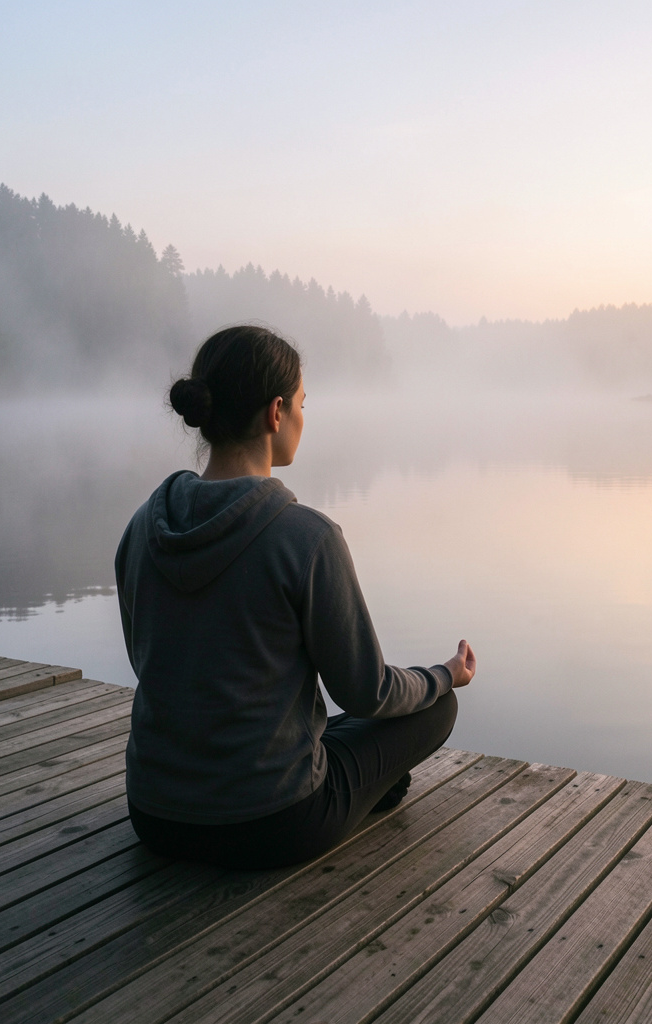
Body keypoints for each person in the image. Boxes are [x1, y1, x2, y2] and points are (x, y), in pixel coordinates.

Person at [115, 325, 475, 869]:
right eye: (304, 404)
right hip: (274, 823)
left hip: (156, 817)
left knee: (335, 729)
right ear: (276, 412)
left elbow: (146, 659)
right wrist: (445, 674)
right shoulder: (306, 537)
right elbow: (368, 692)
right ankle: (372, 790)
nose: (305, 418)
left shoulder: (143, 527)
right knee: (433, 708)